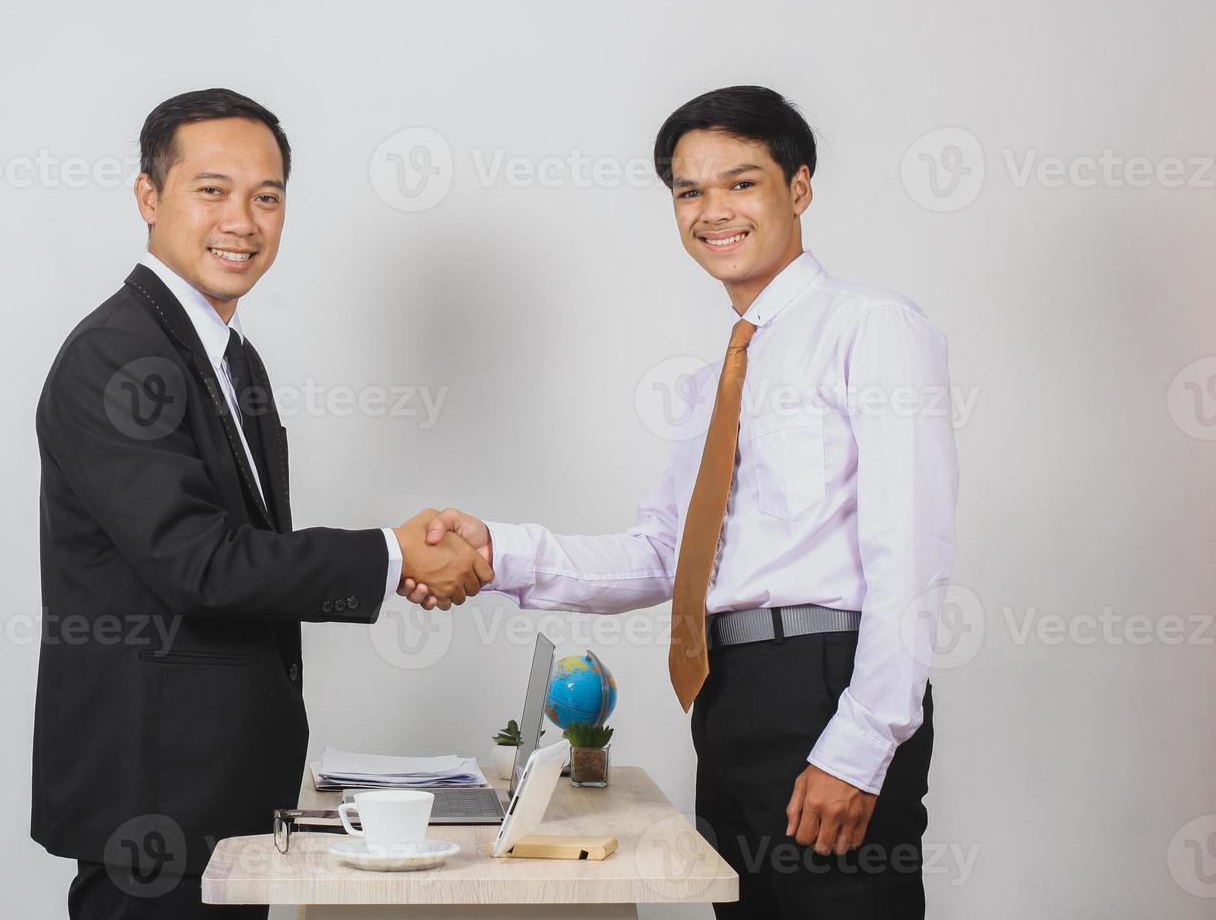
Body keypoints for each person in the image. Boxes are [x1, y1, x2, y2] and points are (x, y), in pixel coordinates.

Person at [404, 86, 958, 918]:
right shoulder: (712, 384)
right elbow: (663, 552)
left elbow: (908, 548)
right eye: (688, 191)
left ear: (798, 188)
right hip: (728, 695)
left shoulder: (871, 327)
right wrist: (495, 551)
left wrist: (859, 742)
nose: (712, 211)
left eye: (740, 183)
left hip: (827, 688)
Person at [31, 87, 491, 919]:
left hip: (222, 789)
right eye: (212, 190)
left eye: (266, 196)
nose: (241, 219)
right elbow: (201, 564)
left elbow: (244, 560)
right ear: (148, 196)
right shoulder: (117, 357)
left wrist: (393, 561)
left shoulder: (231, 358)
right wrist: (392, 557)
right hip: (156, 802)